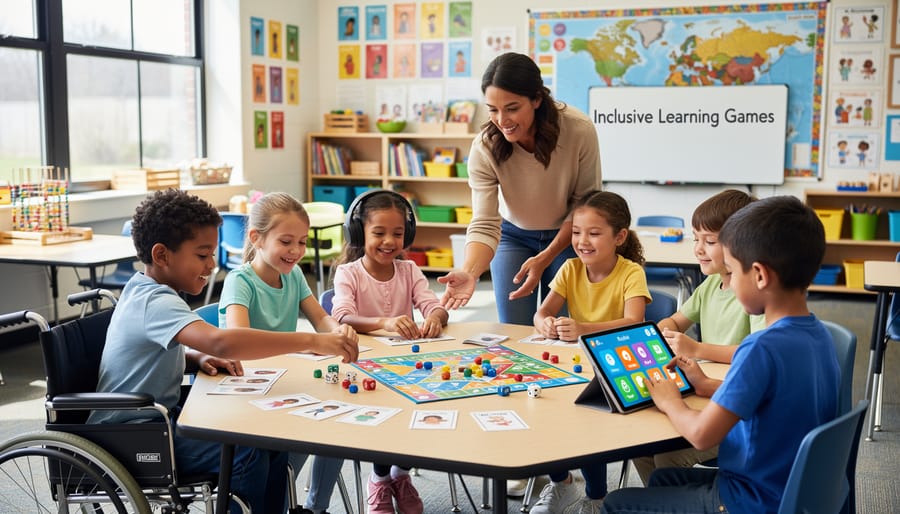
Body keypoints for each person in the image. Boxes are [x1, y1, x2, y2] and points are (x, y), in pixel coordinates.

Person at [88, 189, 358, 514]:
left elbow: (147, 358)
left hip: (156, 420)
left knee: (266, 442)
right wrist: (311, 341)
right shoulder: (155, 301)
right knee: (248, 451)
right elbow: (224, 340)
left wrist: (194, 357)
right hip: (133, 434)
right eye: (202, 256)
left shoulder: (148, 292)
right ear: (161, 255)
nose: (212, 264)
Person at [600, 195, 840, 514]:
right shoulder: (819, 334)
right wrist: (706, 386)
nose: (728, 281)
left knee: (617, 503)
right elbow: (774, 398)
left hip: (747, 499)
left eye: (733, 270)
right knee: (662, 478)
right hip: (785, 488)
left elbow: (701, 436)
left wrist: (671, 400)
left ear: (759, 275)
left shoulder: (760, 348)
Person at [438, 52, 601, 327]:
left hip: (569, 237)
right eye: (492, 109)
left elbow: (584, 207)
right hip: (512, 235)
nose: (502, 120)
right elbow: (485, 222)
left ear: (537, 99)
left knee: (560, 328)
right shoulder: (485, 146)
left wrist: (547, 255)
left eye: (512, 108)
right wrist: (470, 272)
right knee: (513, 329)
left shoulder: (578, 130)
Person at [220, 192, 358, 514]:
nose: (296, 251)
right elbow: (238, 340)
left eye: (302, 241)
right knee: (285, 458)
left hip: (285, 385)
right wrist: (309, 342)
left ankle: (313, 506)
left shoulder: (294, 275)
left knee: (337, 425)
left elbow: (320, 318)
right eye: (286, 241)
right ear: (257, 239)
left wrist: (338, 330)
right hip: (248, 396)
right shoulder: (240, 281)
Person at [631, 189, 764, 484]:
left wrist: (697, 348)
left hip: (732, 401)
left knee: (667, 456)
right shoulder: (709, 286)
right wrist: (665, 329)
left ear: (738, 245)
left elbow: (752, 352)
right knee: (639, 445)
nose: (698, 249)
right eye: (695, 239)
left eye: (710, 241)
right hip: (708, 387)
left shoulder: (754, 296)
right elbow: (676, 320)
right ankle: (662, 502)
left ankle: (680, 500)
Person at [529, 190, 650, 514]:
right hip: (572, 364)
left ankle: (596, 496)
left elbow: (634, 322)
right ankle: (562, 483)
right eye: (578, 232)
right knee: (542, 414)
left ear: (620, 236)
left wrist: (583, 328)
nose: (583, 241)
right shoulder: (569, 268)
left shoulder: (630, 272)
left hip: (612, 366)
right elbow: (541, 314)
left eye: (594, 233)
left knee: (587, 424)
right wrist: (546, 324)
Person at [332, 189, 449, 514]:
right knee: (384, 420)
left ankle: (400, 474)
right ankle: (380, 480)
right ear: (359, 234)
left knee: (417, 415)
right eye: (378, 233)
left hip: (407, 366)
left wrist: (436, 317)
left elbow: (432, 305)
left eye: (397, 233)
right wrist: (384, 322)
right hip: (363, 366)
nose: (389, 241)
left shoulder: (409, 270)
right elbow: (341, 316)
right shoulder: (349, 273)